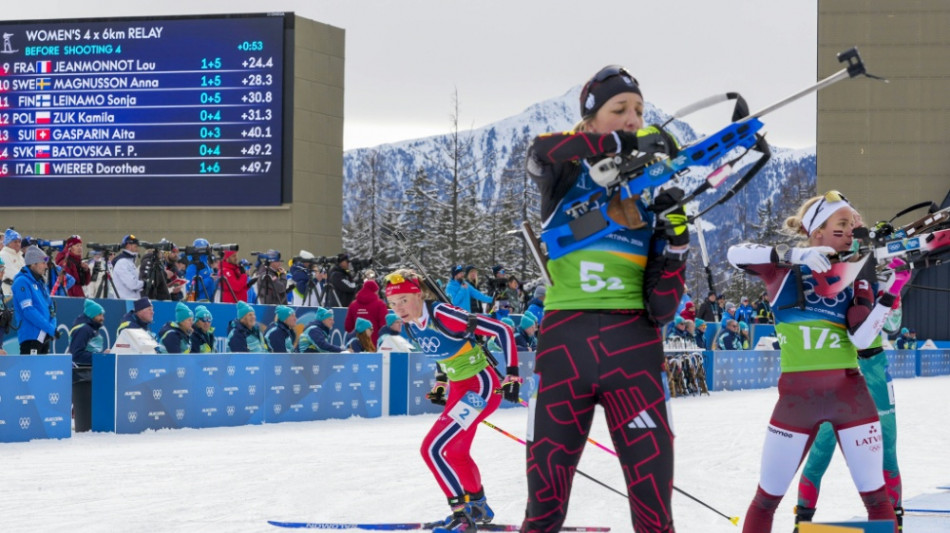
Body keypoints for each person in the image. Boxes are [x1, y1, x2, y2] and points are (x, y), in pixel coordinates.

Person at [520, 64, 687, 532]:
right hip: (564, 349)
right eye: (620, 109)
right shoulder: (564, 173)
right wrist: (619, 144)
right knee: (543, 509)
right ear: (591, 118)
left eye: (640, 111)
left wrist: (676, 245)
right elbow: (538, 150)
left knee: (654, 513)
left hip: (633, 350)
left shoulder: (647, 192)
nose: (633, 118)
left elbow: (663, 307)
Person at [727, 191, 904, 532]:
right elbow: (735, 254)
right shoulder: (781, 270)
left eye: (853, 224)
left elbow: (863, 339)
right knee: (765, 501)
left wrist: (892, 289)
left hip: (849, 394)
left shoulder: (856, 274)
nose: (851, 230)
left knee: (877, 500)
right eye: (843, 223)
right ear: (817, 230)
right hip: (797, 400)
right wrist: (797, 255)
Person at [382, 268, 521, 533]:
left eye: (403, 300)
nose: (398, 308)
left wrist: (513, 375)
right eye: (392, 303)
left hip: (480, 387)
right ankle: (478, 506)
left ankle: (461, 516)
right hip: (459, 389)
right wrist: (441, 383)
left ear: (419, 295)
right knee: (455, 452)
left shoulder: (443, 314)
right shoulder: (411, 325)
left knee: (431, 449)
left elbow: (502, 329)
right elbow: (441, 353)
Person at [796, 247, 906, 528]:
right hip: (838, 374)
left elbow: (893, 325)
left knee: (887, 452)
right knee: (820, 452)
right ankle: (802, 521)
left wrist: (894, 292)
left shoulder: (878, 281)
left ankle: (895, 521)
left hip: (874, 371)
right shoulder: (828, 285)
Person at [67, 298, 108, 432]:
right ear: (91, 314)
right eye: (99, 315)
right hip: (82, 373)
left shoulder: (91, 329)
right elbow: (77, 354)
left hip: (88, 372)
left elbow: (89, 350)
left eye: (103, 315)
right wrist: (99, 357)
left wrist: (101, 355)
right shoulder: (84, 329)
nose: (102, 318)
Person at [12, 246, 58, 354]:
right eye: (43, 263)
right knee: (31, 365)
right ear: (33, 264)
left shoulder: (41, 283)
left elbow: (51, 308)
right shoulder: (22, 282)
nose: (46, 266)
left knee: (43, 366)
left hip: (44, 336)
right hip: (31, 337)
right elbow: (28, 311)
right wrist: (50, 328)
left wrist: (52, 327)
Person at [344, 279, 387, 344]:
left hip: (357, 343)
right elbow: (384, 326)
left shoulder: (353, 305)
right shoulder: (380, 304)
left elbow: (348, 327)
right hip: (375, 343)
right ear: (375, 291)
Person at [111, 235, 144, 300]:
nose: (138, 249)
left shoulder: (129, 262)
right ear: (128, 246)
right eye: (135, 247)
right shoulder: (122, 263)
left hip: (132, 301)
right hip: (125, 302)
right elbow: (132, 284)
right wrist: (144, 283)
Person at [1, 228, 24, 301]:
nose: (18, 244)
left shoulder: (20, 256)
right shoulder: (3, 255)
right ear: (8, 243)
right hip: (8, 292)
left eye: (19, 242)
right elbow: (11, 273)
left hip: (20, 289)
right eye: (15, 242)